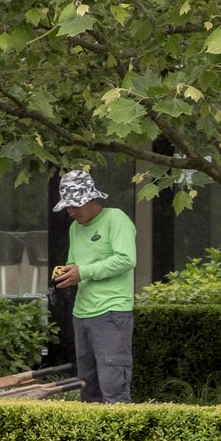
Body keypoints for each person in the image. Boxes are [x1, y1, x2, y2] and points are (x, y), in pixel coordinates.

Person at [49, 171, 137, 403]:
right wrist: (66, 273)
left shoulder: (116, 219)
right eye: (67, 206)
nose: (71, 211)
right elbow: (74, 264)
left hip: (111, 312)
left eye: (76, 205)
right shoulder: (75, 228)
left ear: (92, 198)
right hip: (82, 313)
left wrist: (84, 271)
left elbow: (126, 259)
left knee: (113, 388)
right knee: (87, 389)